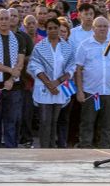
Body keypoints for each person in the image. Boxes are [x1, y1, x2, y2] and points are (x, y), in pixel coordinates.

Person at [73, 16, 110, 149]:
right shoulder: (84, 45)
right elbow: (78, 70)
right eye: (99, 26)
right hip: (90, 92)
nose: (102, 29)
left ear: (109, 28)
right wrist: (79, 91)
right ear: (93, 28)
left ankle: (105, 148)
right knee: (87, 122)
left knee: (107, 123)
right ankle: (86, 147)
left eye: (105, 26)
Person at [0, 8, 28, 148]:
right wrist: (9, 70)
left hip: (14, 87)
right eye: (1, 19)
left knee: (12, 121)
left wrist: (11, 79)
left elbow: (20, 63)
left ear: (11, 20)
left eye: (6, 18)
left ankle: (10, 151)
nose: (4, 21)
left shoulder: (19, 38)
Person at [27, 16, 75, 148]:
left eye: (55, 28)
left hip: (60, 88)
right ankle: (44, 149)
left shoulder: (67, 47)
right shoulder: (39, 46)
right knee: (44, 121)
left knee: (54, 121)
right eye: (50, 28)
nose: (53, 30)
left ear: (59, 28)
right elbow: (34, 66)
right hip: (44, 88)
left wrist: (57, 82)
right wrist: (49, 84)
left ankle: (52, 148)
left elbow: (71, 67)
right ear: (46, 30)